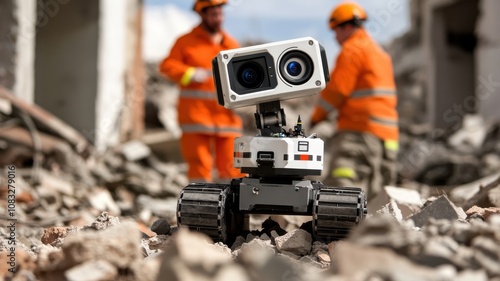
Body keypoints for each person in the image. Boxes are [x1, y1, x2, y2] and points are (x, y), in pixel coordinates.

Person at [310, 2, 399, 199]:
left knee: (342, 184)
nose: (335, 37)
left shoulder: (352, 50)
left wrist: (317, 117)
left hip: (359, 129)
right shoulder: (380, 53)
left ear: (347, 27)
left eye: (336, 30)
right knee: (378, 192)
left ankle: (340, 228)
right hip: (388, 135)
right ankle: (377, 228)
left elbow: (336, 91)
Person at [159, 0, 244, 183]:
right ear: (202, 15)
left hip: (226, 118)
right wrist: (189, 73)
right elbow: (166, 67)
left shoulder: (230, 45)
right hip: (196, 118)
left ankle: (232, 208)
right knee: (199, 168)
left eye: (220, 13)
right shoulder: (186, 42)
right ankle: (201, 206)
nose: (218, 18)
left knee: (233, 169)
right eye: (213, 14)